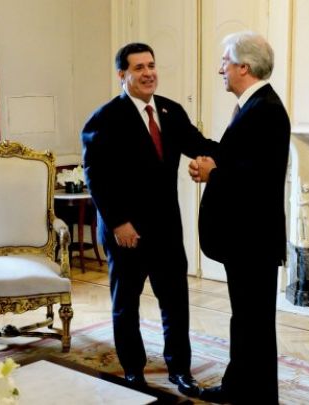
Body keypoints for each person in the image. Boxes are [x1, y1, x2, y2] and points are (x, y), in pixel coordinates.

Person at [81, 42, 218, 397]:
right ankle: (133, 372)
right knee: (126, 305)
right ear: (122, 74)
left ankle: (180, 370)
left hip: (167, 229)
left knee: (175, 303)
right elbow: (96, 177)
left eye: (151, 65)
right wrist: (118, 222)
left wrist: (232, 156)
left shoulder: (171, 111)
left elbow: (199, 144)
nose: (148, 73)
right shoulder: (104, 118)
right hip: (126, 230)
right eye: (139, 67)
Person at [189, 32, 290, 404]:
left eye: (225, 62)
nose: (221, 69)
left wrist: (213, 173)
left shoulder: (265, 110)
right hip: (247, 238)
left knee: (255, 322)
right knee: (246, 319)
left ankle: (257, 397)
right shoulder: (255, 106)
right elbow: (239, 159)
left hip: (253, 240)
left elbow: (257, 178)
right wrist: (206, 158)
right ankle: (238, 388)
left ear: (243, 67)